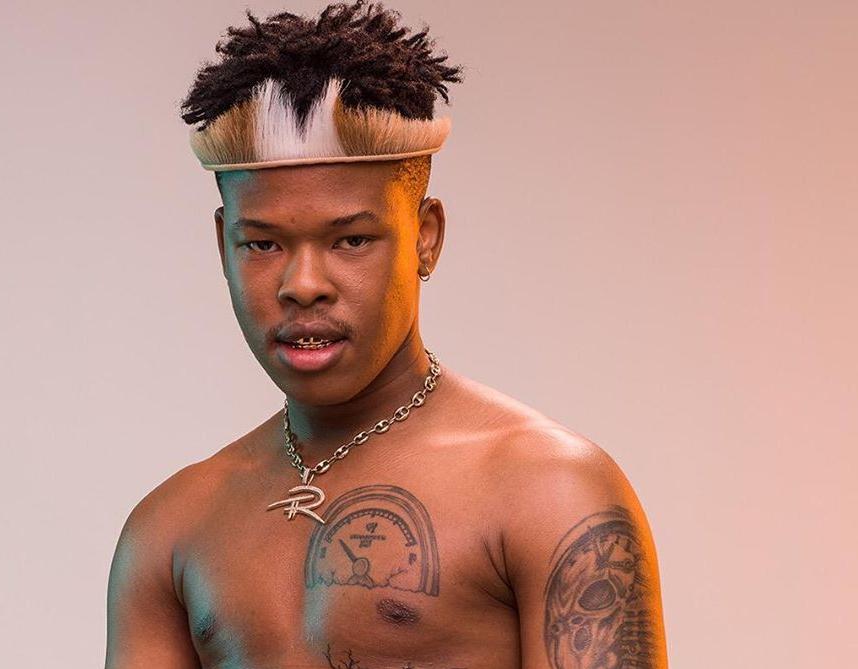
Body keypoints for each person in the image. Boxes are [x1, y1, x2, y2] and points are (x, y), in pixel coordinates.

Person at [104, 2, 669, 667]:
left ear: (425, 237)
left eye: (351, 240)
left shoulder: (546, 489)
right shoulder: (171, 529)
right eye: (262, 243)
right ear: (222, 246)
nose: (303, 284)